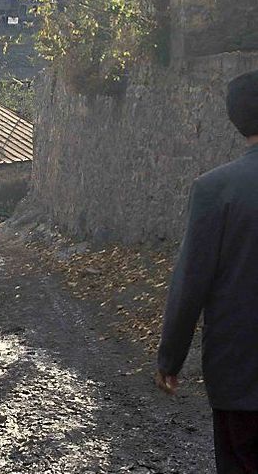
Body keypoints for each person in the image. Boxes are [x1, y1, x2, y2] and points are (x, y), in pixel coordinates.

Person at [156, 69, 258, 473]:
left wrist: (170, 358)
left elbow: (190, 284)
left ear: (234, 119)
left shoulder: (216, 189)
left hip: (239, 374)